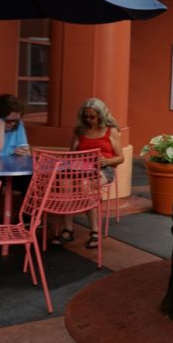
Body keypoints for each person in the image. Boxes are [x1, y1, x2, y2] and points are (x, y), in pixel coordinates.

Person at [51, 98, 124, 249]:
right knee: (64, 185)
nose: (89, 120)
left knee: (86, 186)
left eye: (92, 117)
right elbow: (71, 154)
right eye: (86, 117)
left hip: (104, 168)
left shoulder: (111, 131)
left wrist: (106, 161)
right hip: (80, 167)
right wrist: (77, 160)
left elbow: (120, 157)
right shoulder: (80, 131)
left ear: (101, 115)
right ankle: (68, 229)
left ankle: (95, 231)